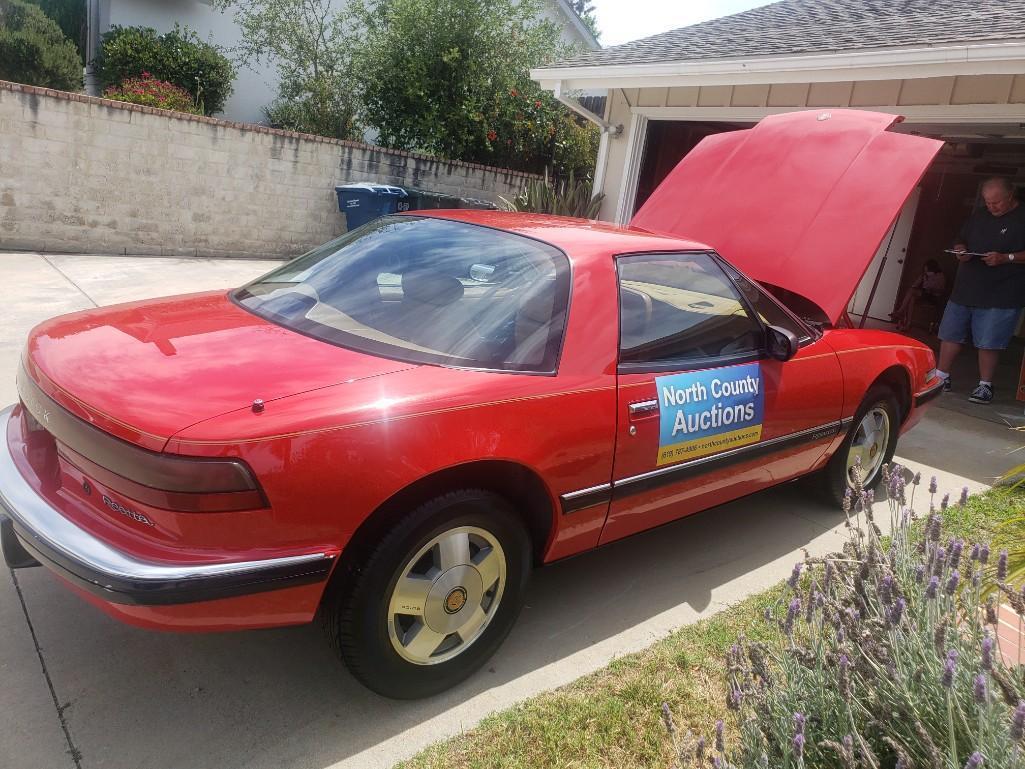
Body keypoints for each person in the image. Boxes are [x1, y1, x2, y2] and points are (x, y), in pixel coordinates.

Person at [935, 177, 1025, 404]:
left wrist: (1006, 258)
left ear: (1010, 196)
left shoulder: (1022, 218)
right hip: (966, 287)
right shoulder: (980, 215)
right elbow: (960, 238)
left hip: (1001, 291)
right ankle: (941, 376)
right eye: (988, 202)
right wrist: (960, 250)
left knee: (989, 340)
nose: (992, 207)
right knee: (950, 333)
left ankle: (985, 385)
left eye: (997, 203)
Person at [889, 258, 946, 331]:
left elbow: (941, 289)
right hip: (924, 293)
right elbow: (915, 285)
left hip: (934, 296)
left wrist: (930, 287)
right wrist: (922, 278)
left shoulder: (940, 276)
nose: (925, 270)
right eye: (925, 269)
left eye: (927, 269)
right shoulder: (924, 275)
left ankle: (900, 311)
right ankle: (908, 324)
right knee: (912, 297)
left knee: (912, 292)